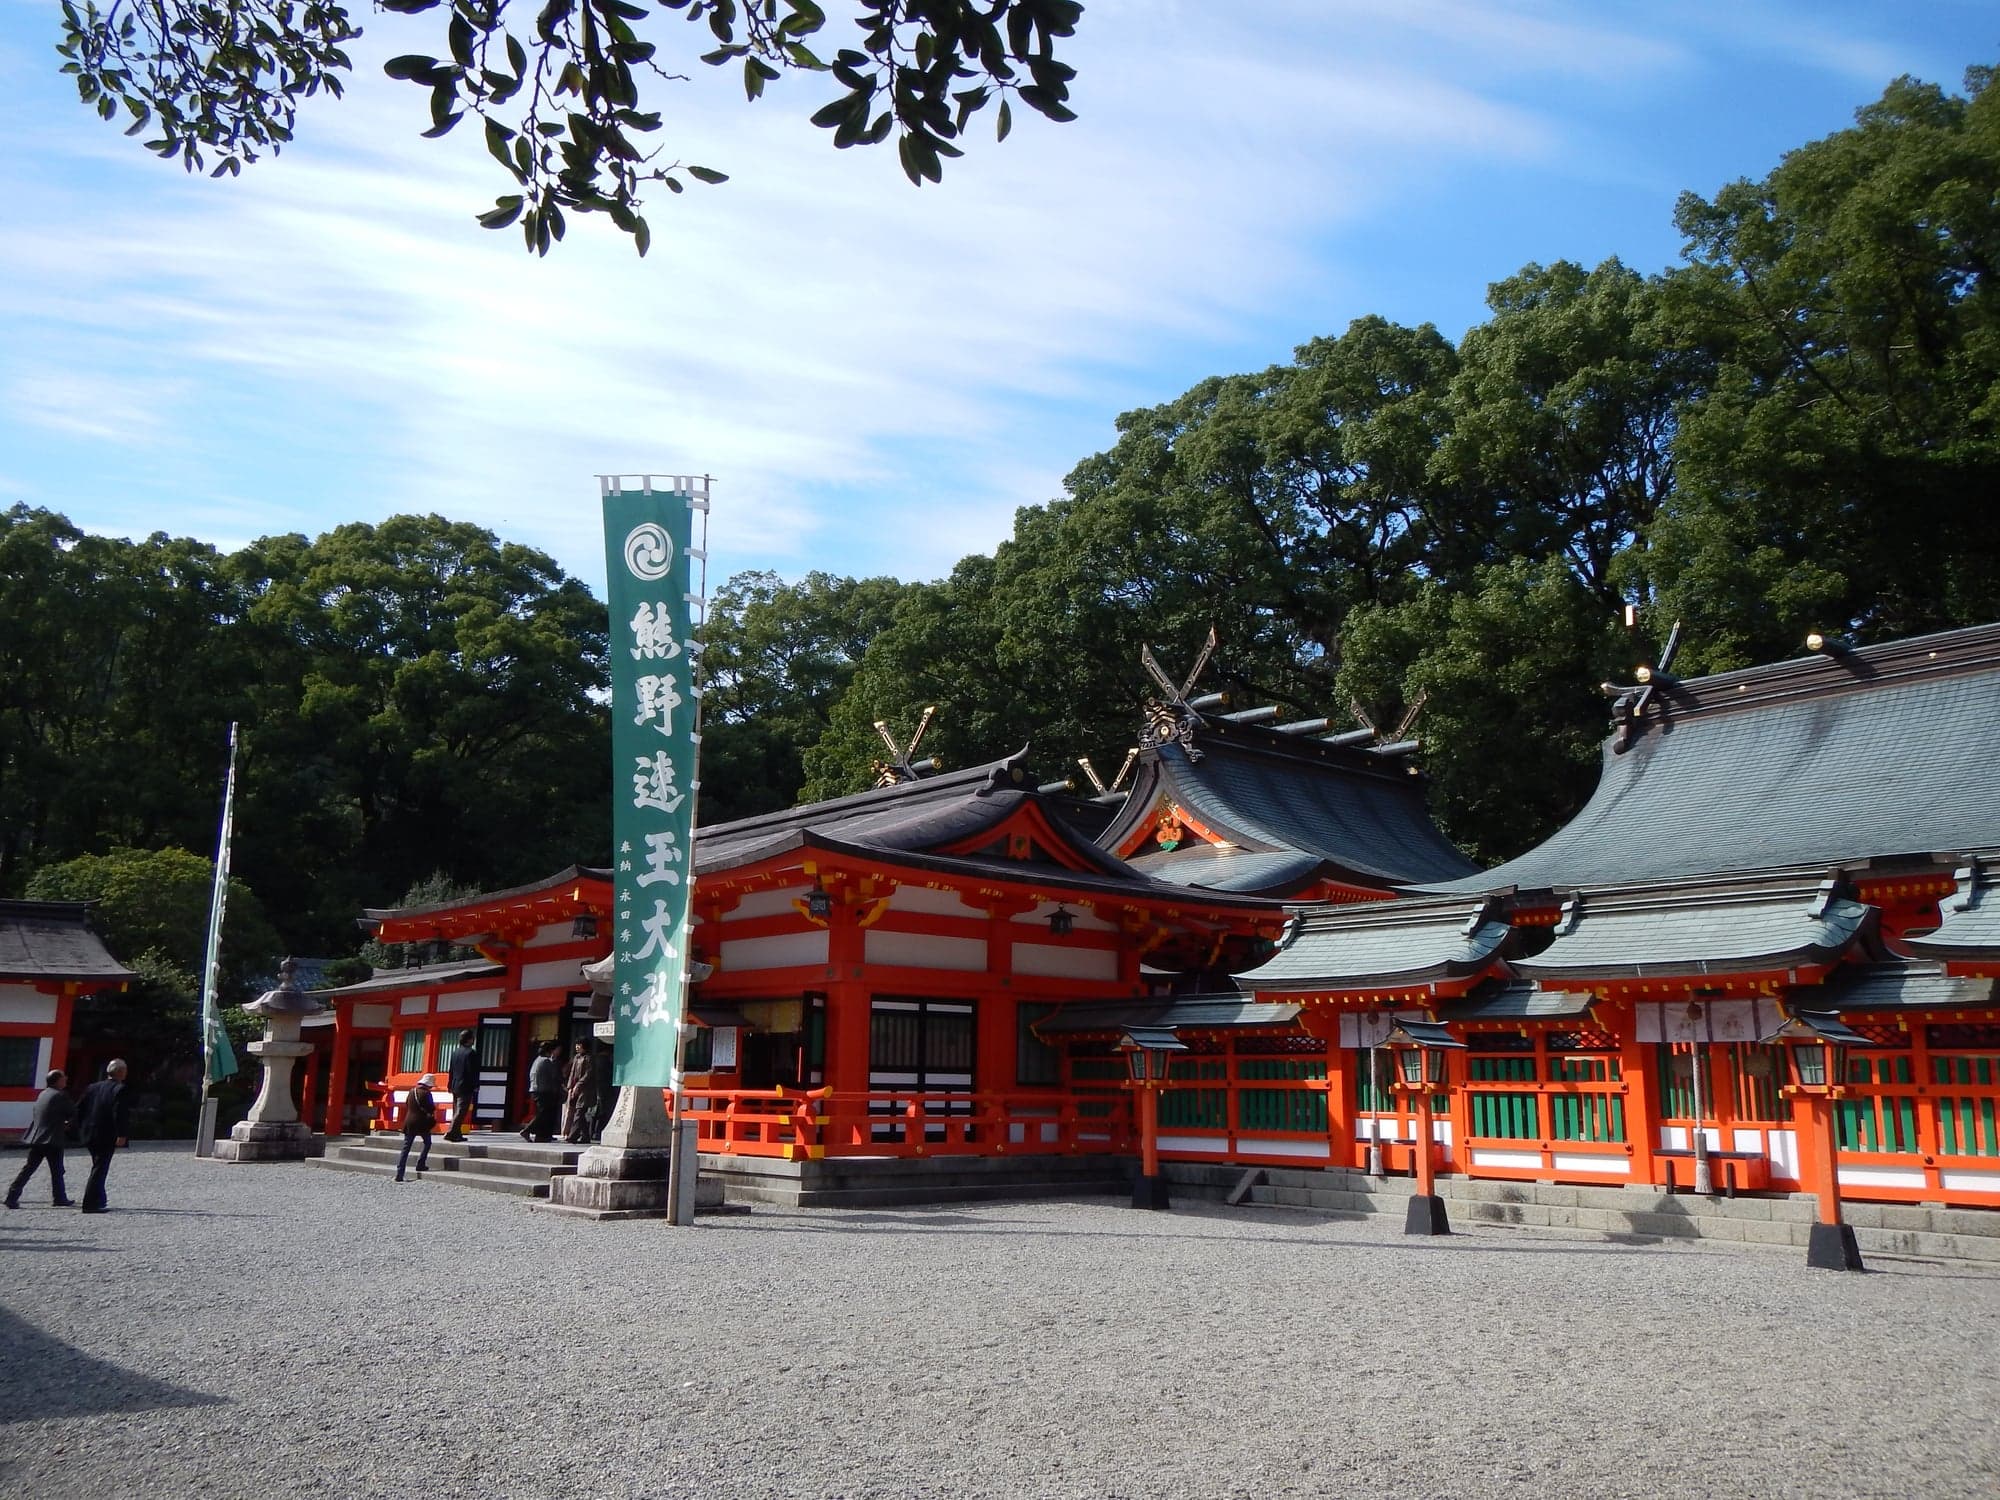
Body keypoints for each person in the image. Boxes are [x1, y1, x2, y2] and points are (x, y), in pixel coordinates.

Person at [5, 1069, 77, 1209]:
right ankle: (59, 1197)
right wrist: (70, 1124)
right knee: (56, 1170)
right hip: (52, 1137)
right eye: (63, 1078)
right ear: (57, 1081)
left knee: (30, 1168)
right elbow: (72, 1112)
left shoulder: (43, 1093)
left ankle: (12, 1195)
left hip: (38, 1137)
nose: (66, 1079)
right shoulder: (60, 1095)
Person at [75, 1059, 130, 1214]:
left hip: (90, 1132)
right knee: (99, 1168)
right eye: (124, 1070)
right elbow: (119, 1114)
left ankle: (99, 1198)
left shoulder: (93, 1087)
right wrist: (122, 1134)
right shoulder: (119, 1089)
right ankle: (90, 1204)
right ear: (120, 1072)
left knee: (97, 1165)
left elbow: (79, 1108)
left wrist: (81, 1127)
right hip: (106, 1134)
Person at [395, 1074, 437, 1181]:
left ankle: (399, 1173)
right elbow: (431, 1108)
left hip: (409, 1122)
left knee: (406, 1148)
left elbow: (407, 1104)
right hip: (422, 1123)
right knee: (427, 1143)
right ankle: (420, 1163)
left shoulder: (411, 1091)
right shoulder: (427, 1093)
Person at [522, 1040, 563, 1143]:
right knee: (544, 1113)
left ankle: (542, 1135)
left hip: (536, 1090)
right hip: (544, 1090)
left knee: (544, 1113)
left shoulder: (537, 1060)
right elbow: (554, 1076)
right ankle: (527, 1130)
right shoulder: (546, 1061)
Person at [443, 1030, 479, 1140]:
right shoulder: (471, 1053)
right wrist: (475, 1084)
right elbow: (471, 1071)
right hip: (465, 1085)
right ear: (469, 1039)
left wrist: (449, 1084)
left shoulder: (455, 1053)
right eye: (472, 1038)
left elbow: (451, 1070)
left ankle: (457, 1134)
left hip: (455, 1085)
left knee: (456, 1109)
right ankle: (450, 1131)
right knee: (461, 1110)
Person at [562, 1042, 594, 1144]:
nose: (577, 1047)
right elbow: (572, 1073)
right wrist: (570, 1086)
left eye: (579, 1045)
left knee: (579, 1112)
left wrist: (578, 1085)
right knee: (577, 1112)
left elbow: (588, 1074)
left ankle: (572, 1136)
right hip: (575, 1089)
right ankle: (585, 1136)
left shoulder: (589, 1058)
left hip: (585, 1089)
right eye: (576, 1045)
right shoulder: (576, 1058)